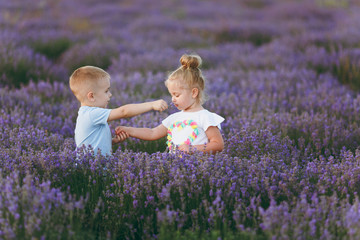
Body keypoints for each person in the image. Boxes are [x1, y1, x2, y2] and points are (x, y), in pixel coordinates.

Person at [116, 54, 224, 154]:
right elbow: (152, 133)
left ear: (194, 93)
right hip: (176, 168)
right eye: (171, 95)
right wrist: (130, 130)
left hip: (198, 169)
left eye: (177, 95)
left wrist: (192, 148)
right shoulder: (174, 118)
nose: (173, 99)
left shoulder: (205, 117)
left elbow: (218, 144)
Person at [69, 65, 168, 156]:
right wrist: (151, 104)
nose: (110, 94)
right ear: (91, 96)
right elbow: (124, 112)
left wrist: (111, 141)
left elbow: (92, 142)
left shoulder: (87, 113)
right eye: (106, 91)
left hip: (98, 167)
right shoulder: (91, 114)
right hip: (90, 168)